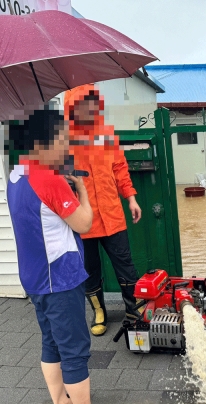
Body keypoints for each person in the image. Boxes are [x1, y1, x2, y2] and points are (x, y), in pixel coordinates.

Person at [6, 107, 126, 404]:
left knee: (51, 342)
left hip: (34, 278)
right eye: (62, 139)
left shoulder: (17, 174)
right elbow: (84, 223)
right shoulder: (50, 180)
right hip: (59, 278)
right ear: (43, 143)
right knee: (74, 348)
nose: (67, 146)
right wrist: (82, 192)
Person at [64, 85, 143, 336]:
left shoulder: (107, 135)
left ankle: (134, 310)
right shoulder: (62, 141)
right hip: (82, 219)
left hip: (112, 215)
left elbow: (120, 168)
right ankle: (99, 313)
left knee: (126, 265)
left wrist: (130, 198)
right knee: (90, 269)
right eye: (81, 105)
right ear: (71, 109)